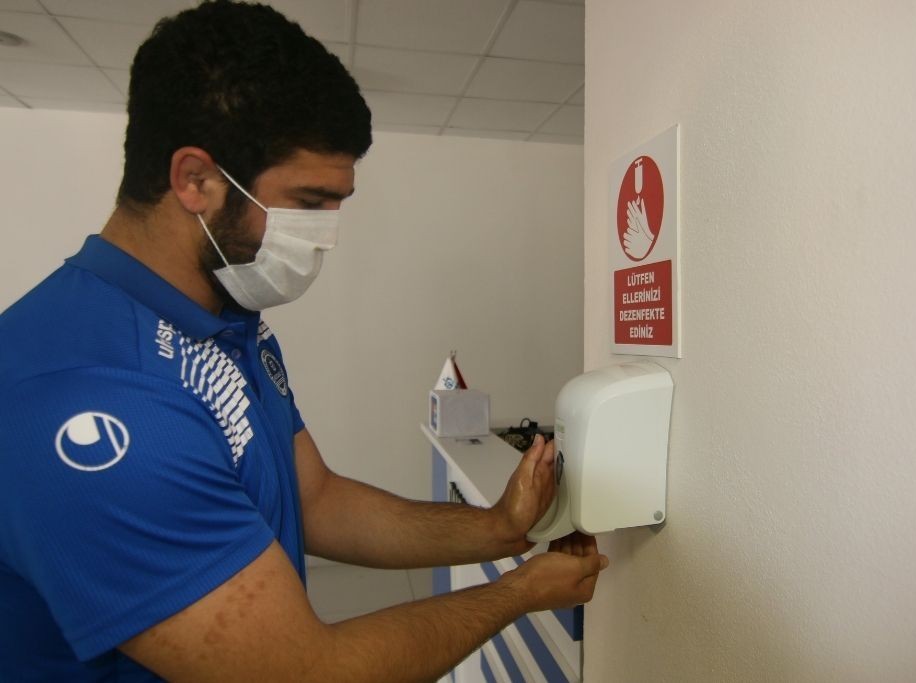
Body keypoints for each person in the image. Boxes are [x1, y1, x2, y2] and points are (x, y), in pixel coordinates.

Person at [0, 1, 607, 680]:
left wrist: (497, 526)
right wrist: (519, 592)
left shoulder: (227, 321)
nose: (325, 235)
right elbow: (305, 671)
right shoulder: (88, 400)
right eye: (310, 203)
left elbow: (316, 498)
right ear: (195, 180)